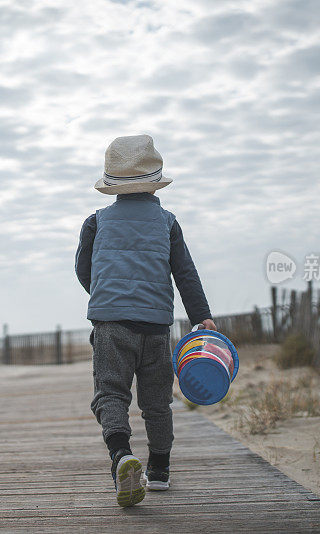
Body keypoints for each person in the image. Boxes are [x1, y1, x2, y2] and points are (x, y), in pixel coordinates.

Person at [75, 134, 216, 507]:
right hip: (155, 327)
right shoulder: (167, 222)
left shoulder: (96, 222)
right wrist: (202, 317)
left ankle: (121, 455)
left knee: (111, 393)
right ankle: (159, 470)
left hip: (110, 324)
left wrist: (105, 295)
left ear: (112, 186)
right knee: (156, 403)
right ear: (155, 182)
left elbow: (83, 270)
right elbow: (185, 273)